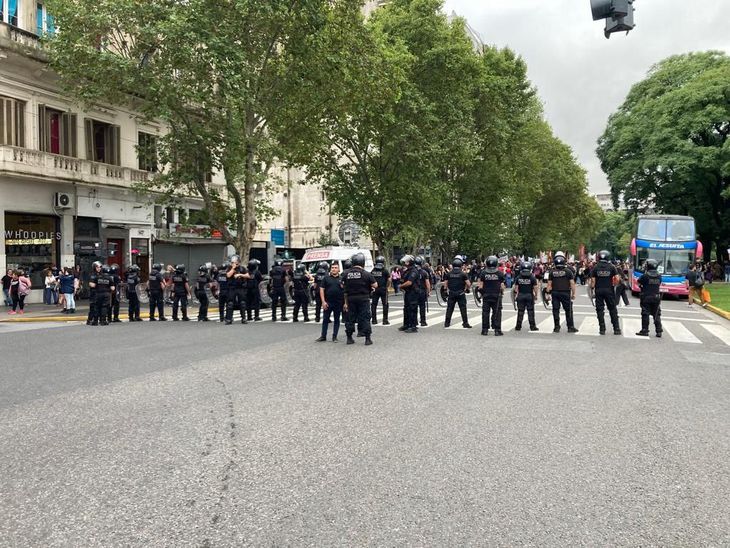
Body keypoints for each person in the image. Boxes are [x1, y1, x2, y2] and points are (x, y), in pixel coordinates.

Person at [343, 252, 377, 345]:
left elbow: (342, 285)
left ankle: (349, 338)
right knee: (365, 318)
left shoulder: (346, 274)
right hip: (363, 298)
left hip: (350, 299)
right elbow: (375, 285)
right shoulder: (366, 274)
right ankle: (367, 339)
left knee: (350, 319)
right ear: (363, 262)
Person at [591, 250, 621, 335]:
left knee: (600, 310)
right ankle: (616, 329)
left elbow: (593, 281)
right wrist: (614, 285)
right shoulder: (612, 267)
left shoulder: (595, 267)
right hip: (609, 290)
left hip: (599, 290)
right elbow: (617, 279)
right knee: (612, 309)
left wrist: (592, 288)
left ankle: (602, 329)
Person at [547, 254, 579, 333]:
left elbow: (549, 285)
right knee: (568, 310)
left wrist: (547, 294)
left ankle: (556, 327)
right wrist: (574, 294)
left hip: (555, 293)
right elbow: (572, 283)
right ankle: (570, 327)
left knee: (555, 310)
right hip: (565, 292)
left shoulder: (552, 272)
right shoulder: (568, 271)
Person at [316, 263, 344, 342]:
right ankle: (323, 336)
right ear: (330, 269)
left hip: (338, 302)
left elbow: (345, 291)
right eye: (332, 268)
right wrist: (323, 301)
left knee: (337, 319)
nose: (334, 269)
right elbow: (322, 289)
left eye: (336, 268)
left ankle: (334, 336)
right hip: (328, 302)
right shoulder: (326, 278)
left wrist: (345, 303)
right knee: (325, 319)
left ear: (338, 269)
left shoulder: (341, 279)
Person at [478, 256, 505, 336]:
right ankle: (497, 330)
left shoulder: (483, 273)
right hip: (496, 296)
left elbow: (480, 286)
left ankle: (485, 330)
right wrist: (502, 292)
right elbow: (502, 285)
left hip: (486, 295)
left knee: (485, 313)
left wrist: (482, 293)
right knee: (497, 312)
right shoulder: (499, 273)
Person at [636, 259, 663, 337]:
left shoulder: (645, 275)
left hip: (646, 296)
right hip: (656, 297)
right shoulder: (659, 276)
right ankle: (659, 331)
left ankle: (645, 330)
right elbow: (659, 283)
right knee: (656, 314)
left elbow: (639, 282)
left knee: (645, 313)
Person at [443, 257, 472, 329]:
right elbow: (468, 284)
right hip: (461, 293)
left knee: (449, 308)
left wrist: (445, 291)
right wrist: (467, 289)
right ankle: (465, 323)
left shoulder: (449, 274)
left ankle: (447, 323)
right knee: (463, 309)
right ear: (461, 265)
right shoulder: (463, 274)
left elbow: (445, 284)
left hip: (452, 293)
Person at [514, 261, 539, 331]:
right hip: (529, 295)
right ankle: (532, 326)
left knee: (520, 311)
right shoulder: (532, 277)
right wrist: (536, 295)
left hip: (521, 295)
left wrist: (515, 296)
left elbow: (516, 289)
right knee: (530, 311)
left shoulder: (518, 277)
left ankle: (518, 326)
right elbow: (535, 288)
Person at [398, 255, 420, 333]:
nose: (405, 263)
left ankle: (413, 326)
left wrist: (401, 286)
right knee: (406, 308)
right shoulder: (408, 270)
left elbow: (409, 282)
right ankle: (406, 324)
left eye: (407, 261)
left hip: (413, 292)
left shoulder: (414, 271)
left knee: (412, 309)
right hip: (408, 292)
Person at [226, 256, 250, 325]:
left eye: (235, 262)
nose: (234, 264)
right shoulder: (229, 268)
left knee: (242, 303)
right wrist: (233, 269)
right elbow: (228, 275)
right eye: (232, 262)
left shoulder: (242, 268)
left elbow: (248, 275)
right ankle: (229, 319)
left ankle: (243, 318)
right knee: (230, 304)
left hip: (240, 287)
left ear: (238, 262)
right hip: (232, 288)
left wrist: (240, 274)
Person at [370, 256, 391, 325]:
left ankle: (374, 320)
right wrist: (387, 286)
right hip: (383, 289)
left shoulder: (373, 271)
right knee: (385, 304)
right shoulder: (385, 270)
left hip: (375, 289)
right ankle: (385, 320)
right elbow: (389, 280)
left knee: (374, 304)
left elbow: (370, 280)